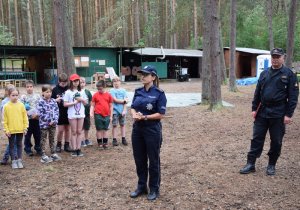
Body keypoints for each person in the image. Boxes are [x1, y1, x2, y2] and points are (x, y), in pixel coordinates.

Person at [240, 48, 299, 176]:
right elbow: (257, 92)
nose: (275, 59)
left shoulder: (289, 74)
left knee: (276, 140)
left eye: (278, 57)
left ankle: (271, 164)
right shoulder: (264, 73)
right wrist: (254, 109)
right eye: (273, 57)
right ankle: (250, 164)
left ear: (283, 57)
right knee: (256, 138)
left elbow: (293, 97)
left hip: (278, 112)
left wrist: (288, 114)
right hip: (263, 111)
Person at [129, 65, 167, 201]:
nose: (142, 76)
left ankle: (154, 188)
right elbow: (132, 107)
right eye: (142, 74)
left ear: (153, 77)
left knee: (153, 160)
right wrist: (135, 115)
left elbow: (161, 114)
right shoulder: (138, 91)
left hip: (152, 130)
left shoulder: (159, 93)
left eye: (146, 74)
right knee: (139, 159)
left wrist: (145, 117)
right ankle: (141, 186)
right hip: (137, 129)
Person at [3, 87, 29, 169]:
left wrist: (25, 128)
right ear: (9, 95)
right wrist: (6, 130)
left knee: (19, 145)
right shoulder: (6, 106)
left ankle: (19, 160)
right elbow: (4, 120)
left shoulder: (21, 105)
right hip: (10, 131)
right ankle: (13, 161)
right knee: (11, 145)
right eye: (13, 95)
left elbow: (25, 117)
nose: (15, 97)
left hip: (20, 129)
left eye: (16, 95)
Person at [63, 74, 87, 157]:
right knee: (73, 131)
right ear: (71, 82)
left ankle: (78, 148)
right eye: (74, 81)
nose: (76, 82)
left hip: (81, 114)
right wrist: (74, 102)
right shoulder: (68, 92)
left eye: (77, 81)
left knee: (79, 131)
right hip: (72, 114)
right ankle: (74, 149)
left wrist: (81, 99)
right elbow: (65, 104)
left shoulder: (82, 91)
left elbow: (86, 103)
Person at [37, 85, 61, 163]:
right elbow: (40, 113)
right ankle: (43, 154)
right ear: (43, 92)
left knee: (52, 139)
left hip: (53, 124)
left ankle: (53, 153)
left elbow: (57, 111)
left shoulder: (54, 101)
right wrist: (48, 121)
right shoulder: (40, 102)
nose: (49, 93)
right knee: (43, 139)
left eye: (50, 92)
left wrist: (54, 120)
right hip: (44, 124)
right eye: (47, 92)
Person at [51, 73, 72, 153]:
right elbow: (51, 100)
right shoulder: (55, 89)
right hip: (59, 112)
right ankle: (58, 144)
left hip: (68, 111)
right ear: (59, 81)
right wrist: (56, 101)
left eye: (65, 83)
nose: (63, 85)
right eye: (62, 83)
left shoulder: (69, 89)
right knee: (60, 130)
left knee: (67, 129)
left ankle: (67, 144)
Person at [20, 80, 42, 156]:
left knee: (37, 134)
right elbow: (21, 108)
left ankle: (38, 147)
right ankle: (28, 149)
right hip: (27, 120)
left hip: (36, 119)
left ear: (33, 87)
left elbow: (40, 107)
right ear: (25, 88)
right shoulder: (23, 97)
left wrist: (37, 115)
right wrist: (28, 114)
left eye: (31, 86)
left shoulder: (37, 96)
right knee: (27, 135)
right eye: (27, 87)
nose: (29, 88)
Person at [90, 80, 113, 149]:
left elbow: (111, 106)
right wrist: (91, 112)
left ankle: (105, 143)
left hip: (107, 115)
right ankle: (100, 143)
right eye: (98, 89)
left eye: (101, 89)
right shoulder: (95, 95)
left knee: (105, 129)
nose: (99, 90)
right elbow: (92, 105)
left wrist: (111, 116)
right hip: (98, 114)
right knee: (99, 129)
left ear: (104, 87)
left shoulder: (109, 95)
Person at [0, 84, 17, 165]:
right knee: (12, 142)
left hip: (17, 124)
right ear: (7, 92)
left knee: (16, 141)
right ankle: (6, 158)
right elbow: (4, 114)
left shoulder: (16, 100)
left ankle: (15, 157)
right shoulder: (4, 102)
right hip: (9, 125)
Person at [109, 76, 128, 146]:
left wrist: (124, 109)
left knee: (122, 125)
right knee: (115, 125)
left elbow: (126, 101)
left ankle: (123, 138)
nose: (116, 83)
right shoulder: (112, 91)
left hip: (122, 111)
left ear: (120, 82)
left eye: (117, 81)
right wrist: (124, 101)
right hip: (114, 111)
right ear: (113, 83)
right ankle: (114, 139)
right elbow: (115, 100)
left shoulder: (124, 90)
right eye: (114, 81)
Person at [80, 77, 93, 147]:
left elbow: (91, 102)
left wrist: (91, 111)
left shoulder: (87, 92)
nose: (82, 84)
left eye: (83, 82)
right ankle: (81, 140)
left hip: (87, 112)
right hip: (80, 113)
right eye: (80, 82)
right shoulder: (77, 92)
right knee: (81, 127)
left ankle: (86, 139)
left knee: (87, 127)